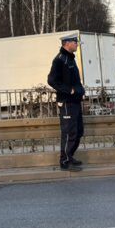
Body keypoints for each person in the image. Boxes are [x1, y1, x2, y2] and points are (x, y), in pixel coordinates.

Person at [47, 34, 85, 171]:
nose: (77, 44)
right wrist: (70, 91)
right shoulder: (60, 60)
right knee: (69, 132)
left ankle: (70, 156)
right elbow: (51, 80)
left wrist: (80, 91)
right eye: (75, 42)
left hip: (75, 102)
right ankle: (64, 161)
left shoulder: (70, 58)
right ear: (66, 43)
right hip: (67, 102)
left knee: (78, 131)